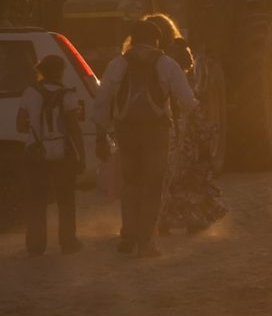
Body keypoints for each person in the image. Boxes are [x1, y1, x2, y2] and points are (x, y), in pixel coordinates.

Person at [96, 18, 198, 257]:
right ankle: (147, 243)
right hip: (156, 132)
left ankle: (129, 234)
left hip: (126, 132)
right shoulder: (166, 64)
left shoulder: (117, 64)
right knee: (153, 186)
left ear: (132, 39)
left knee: (130, 183)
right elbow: (187, 100)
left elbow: (101, 102)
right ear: (157, 39)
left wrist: (100, 135)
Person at [17, 53, 86, 255]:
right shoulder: (68, 95)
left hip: (36, 153)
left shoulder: (30, 92)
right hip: (63, 155)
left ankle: (36, 245)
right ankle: (68, 242)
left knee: (37, 199)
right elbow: (74, 129)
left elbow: (20, 125)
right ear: (61, 71)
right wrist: (81, 156)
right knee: (66, 200)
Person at [157, 39, 226, 235]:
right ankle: (192, 221)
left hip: (171, 139)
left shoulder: (164, 80)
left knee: (170, 181)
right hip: (186, 141)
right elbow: (194, 113)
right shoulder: (187, 83)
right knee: (189, 181)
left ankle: (165, 221)